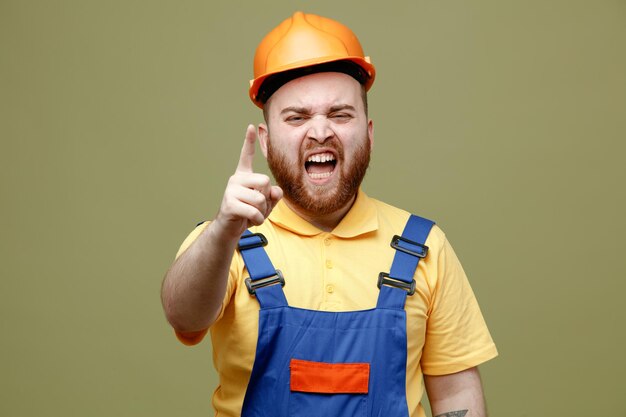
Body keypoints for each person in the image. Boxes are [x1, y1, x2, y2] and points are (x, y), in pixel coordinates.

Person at [161, 11, 497, 417]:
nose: (320, 131)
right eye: (297, 117)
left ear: (369, 134)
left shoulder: (425, 247)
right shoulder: (227, 239)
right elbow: (183, 318)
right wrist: (222, 231)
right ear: (265, 142)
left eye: (340, 114)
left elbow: (457, 397)